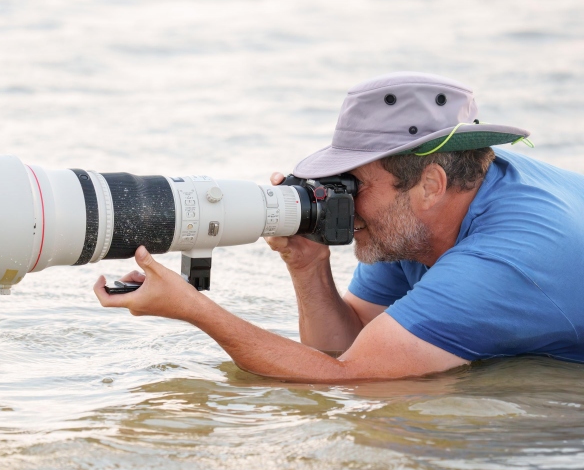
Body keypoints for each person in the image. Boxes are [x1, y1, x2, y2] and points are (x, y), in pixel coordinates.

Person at [93, 72, 584, 382]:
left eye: (354, 182)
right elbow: (345, 343)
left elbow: (346, 376)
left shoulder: (506, 256)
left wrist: (194, 308)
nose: (342, 199)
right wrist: (306, 263)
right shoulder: (416, 223)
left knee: (401, 431)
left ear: (430, 183)